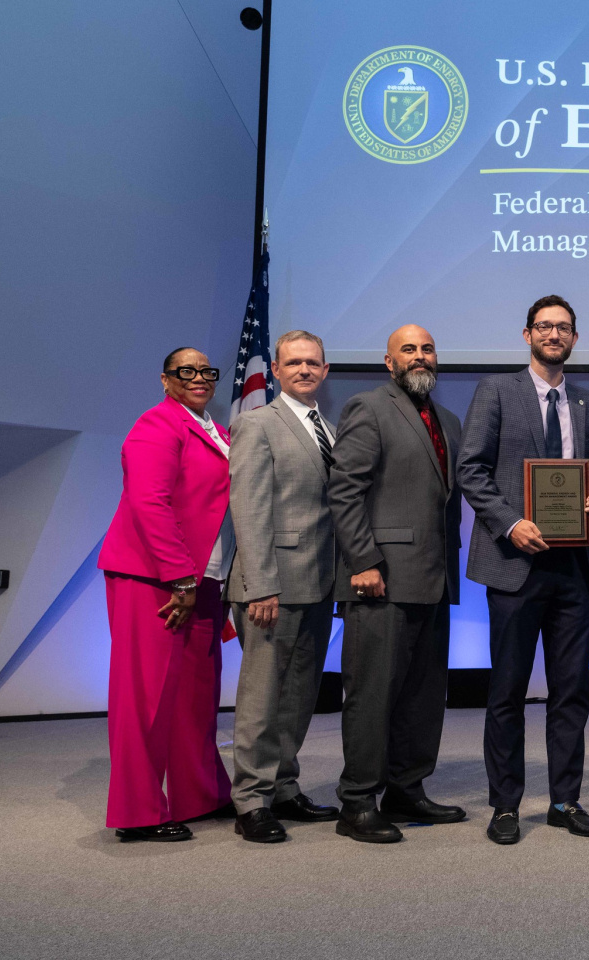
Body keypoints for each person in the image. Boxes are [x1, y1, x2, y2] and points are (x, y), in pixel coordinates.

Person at [457, 294, 589, 845]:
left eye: (563, 327)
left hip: (573, 569)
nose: (554, 334)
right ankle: (505, 805)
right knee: (508, 691)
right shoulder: (497, 391)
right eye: (544, 326)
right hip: (514, 564)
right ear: (527, 335)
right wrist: (509, 523)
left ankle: (565, 801)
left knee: (572, 693)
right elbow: (471, 469)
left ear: (575, 338)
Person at [328, 324, 464, 844]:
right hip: (379, 579)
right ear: (389, 362)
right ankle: (358, 800)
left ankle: (407, 788)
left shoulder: (446, 420)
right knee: (371, 695)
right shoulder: (368, 407)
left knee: (424, 696)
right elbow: (345, 491)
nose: (420, 356)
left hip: (434, 580)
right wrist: (362, 561)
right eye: (408, 349)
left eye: (428, 348)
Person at [98, 348, 234, 841]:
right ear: (165, 379)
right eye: (186, 371)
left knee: (197, 695)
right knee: (146, 698)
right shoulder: (156, 425)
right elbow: (148, 501)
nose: (198, 378)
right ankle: (137, 814)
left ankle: (200, 795)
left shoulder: (214, 429)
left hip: (205, 578)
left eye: (206, 372)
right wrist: (179, 577)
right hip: (152, 579)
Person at [224, 330, 340, 843]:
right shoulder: (255, 424)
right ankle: (250, 800)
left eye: (312, 363)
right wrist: (260, 587)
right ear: (274, 370)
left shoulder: (329, 429)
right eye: (293, 363)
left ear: (325, 370)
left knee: (298, 696)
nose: (303, 370)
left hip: (318, 584)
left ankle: (284, 788)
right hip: (270, 586)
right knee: (261, 698)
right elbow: (247, 510)